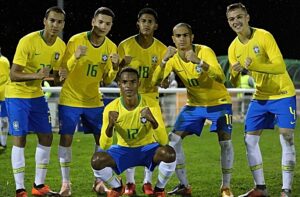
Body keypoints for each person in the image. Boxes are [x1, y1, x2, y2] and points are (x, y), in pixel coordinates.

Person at [153, 23, 234, 197]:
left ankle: (225, 187)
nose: (182, 39)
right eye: (178, 36)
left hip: (218, 102)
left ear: (192, 37)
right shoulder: (172, 57)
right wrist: (164, 61)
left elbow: (221, 77)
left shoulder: (204, 51)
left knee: (225, 142)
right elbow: (156, 80)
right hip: (194, 105)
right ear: (173, 39)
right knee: (173, 140)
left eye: (185, 35)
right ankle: (184, 185)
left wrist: (200, 62)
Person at [226, 3, 296, 197]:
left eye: (239, 17)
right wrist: (234, 72)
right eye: (231, 19)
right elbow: (233, 79)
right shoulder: (233, 48)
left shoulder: (264, 36)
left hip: (282, 93)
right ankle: (260, 188)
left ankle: (286, 190)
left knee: (287, 137)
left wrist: (253, 65)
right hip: (261, 96)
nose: (236, 22)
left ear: (247, 17)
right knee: (249, 140)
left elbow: (280, 66)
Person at [5, 6, 67, 197]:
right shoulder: (28, 41)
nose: (55, 25)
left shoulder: (60, 46)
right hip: (16, 94)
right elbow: (13, 74)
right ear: (44, 21)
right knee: (20, 138)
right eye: (52, 20)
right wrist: (36, 75)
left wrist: (62, 76)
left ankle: (39, 186)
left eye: (59, 22)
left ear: (63, 24)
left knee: (47, 136)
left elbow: (55, 78)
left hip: (36, 95)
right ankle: (20, 189)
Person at [57, 7, 119, 197]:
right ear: (93, 21)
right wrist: (75, 57)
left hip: (93, 101)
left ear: (110, 26)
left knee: (102, 140)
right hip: (70, 98)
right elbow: (62, 72)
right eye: (100, 22)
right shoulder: (76, 40)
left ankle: (98, 182)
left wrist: (115, 67)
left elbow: (107, 80)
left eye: (107, 24)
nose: (103, 26)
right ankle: (65, 183)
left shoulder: (111, 47)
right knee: (66, 139)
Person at [91, 67, 176, 197]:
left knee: (169, 153)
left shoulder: (151, 104)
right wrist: (109, 126)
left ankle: (159, 190)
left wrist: (153, 121)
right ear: (119, 84)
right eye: (125, 82)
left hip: (147, 150)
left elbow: (164, 141)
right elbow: (104, 146)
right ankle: (118, 187)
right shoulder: (111, 108)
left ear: (139, 83)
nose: (129, 86)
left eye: (133, 82)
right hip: (124, 150)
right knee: (97, 160)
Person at [117, 7, 168, 195]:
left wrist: (167, 80)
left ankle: (147, 181)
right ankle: (130, 183)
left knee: (151, 140)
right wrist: (121, 65)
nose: (146, 24)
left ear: (156, 26)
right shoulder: (125, 45)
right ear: (138, 23)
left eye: (150, 22)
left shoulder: (162, 49)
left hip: (151, 99)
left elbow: (165, 76)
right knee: (129, 139)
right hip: (129, 99)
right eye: (143, 21)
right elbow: (115, 75)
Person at [0, 47, 10, 151]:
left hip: (3, 94)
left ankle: (3, 143)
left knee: (3, 119)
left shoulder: (2, 61)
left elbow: (2, 78)